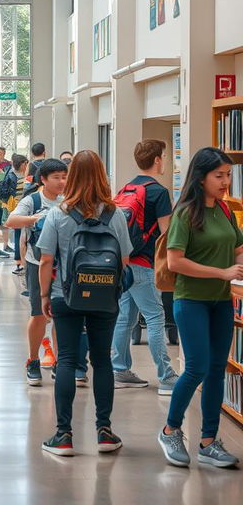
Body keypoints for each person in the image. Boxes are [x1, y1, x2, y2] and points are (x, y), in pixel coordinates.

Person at [37, 150, 131, 456]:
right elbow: (125, 259)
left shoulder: (58, 213)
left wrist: (43, 296)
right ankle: (104, 432)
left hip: (67, 295)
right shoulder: (114, 214)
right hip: (105, 297)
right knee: (102, 360)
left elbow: (46, 259)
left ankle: (63, 435)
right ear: (102, 175)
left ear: (72, 175)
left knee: (66, 359)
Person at [158, 147, 243, 469]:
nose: (225, 182)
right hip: (191, 300)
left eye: (228, 175)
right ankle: (170, 429)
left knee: (217, 370)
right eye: (219, 175)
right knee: (196, 368)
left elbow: (237, 249)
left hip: (221, 301)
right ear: (201, 177)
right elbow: (175, 262)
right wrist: (222, 272)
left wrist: (236, 265)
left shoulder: (224, 210)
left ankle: (208, 441)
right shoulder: (185, 213)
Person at [111, 139, 178, 393]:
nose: (165, 161)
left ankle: (120, 370)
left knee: (125, 317)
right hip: (144, 264)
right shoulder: (159, 192)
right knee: (155, 316)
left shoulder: (127, 187)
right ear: (157, 160)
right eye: (164, 156)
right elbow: (166, 235)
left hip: (124, 262)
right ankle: (167, 376)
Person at [7, 159, 69, 386]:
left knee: (61, 313)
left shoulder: (68, 201)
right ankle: (33, 360)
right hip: (37, 263)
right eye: (56, 177)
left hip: (63, 264)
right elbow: (11, 221)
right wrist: (37, 219)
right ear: (43, 179)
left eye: (64, 177)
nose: (62, 182)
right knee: (39, 314)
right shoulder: (33, 200)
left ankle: (59, 362)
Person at [9, 153, 30, 272]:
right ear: (23, 164)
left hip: (14, 210)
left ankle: (18, 261)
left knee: (18, 236)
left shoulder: (11, 175)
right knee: (23, 237)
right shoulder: (24, 180)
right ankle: (23, 263)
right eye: (26, 163)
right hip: (22, 211)